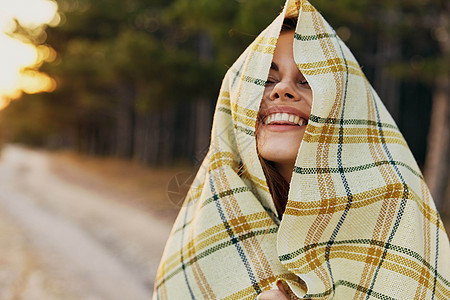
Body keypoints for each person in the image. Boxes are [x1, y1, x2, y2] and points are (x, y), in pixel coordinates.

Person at [153, 0, 450, 299]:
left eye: (308, 81)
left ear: (344, 106)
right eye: (267, 80)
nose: (282, 89)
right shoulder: (209, 223)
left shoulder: (394, 213)